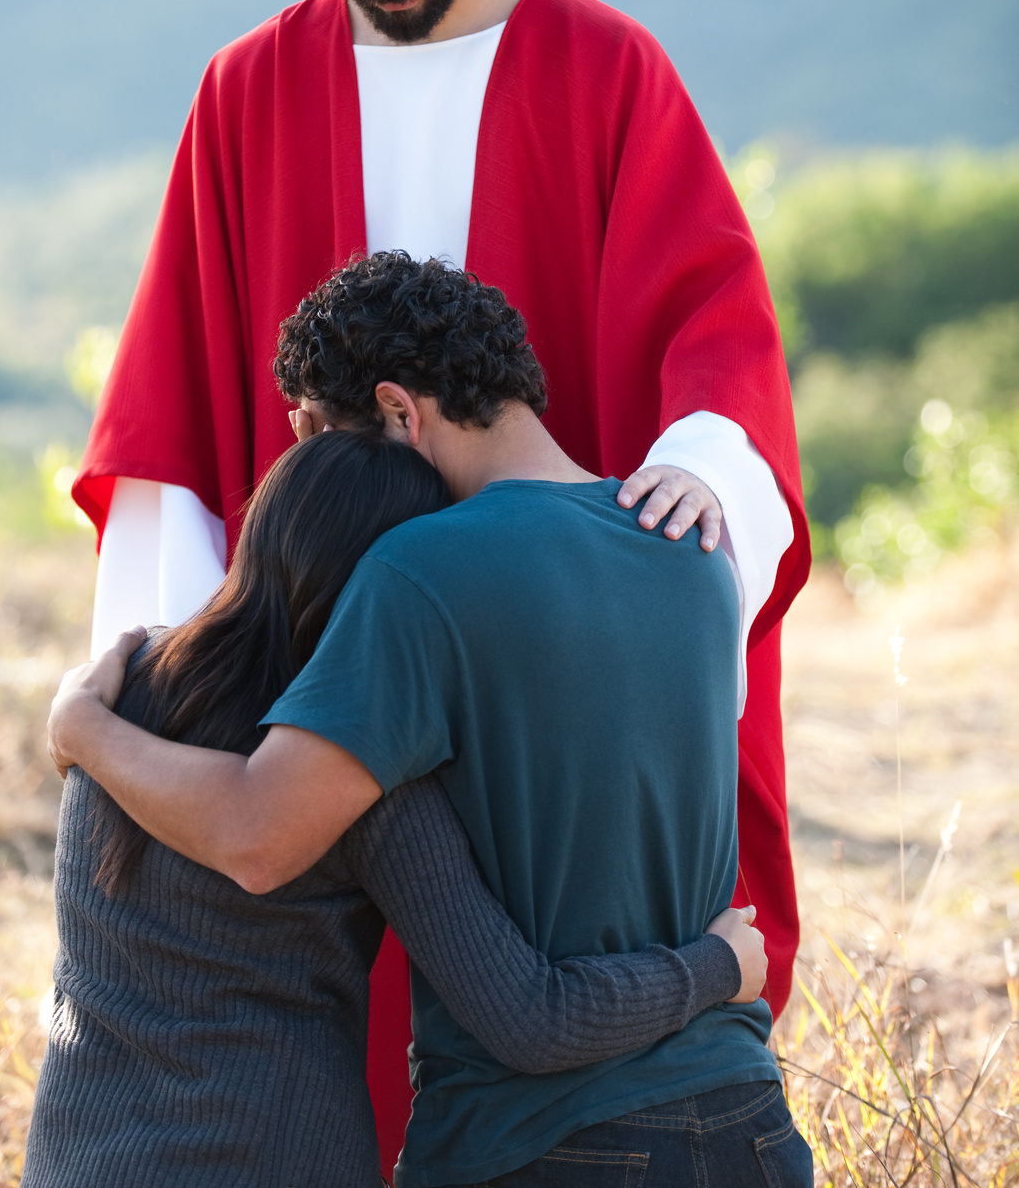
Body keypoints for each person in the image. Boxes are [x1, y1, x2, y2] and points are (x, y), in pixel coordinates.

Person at [73, 0, 809, 1167]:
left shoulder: (602, 66)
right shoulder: (249, 90)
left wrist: (703, 469)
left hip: (547, 636)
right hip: (344, 646)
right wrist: (161, 671)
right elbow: (171, 382)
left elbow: (715, 318)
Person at [50, 255, 814, 1187]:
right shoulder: (691, 546)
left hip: (543, 1142)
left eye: (326, 439)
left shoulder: (415, 573)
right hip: (747, 1119)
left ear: (399, 412)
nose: (320, 474)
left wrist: (84, 731)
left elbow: (257, 833)